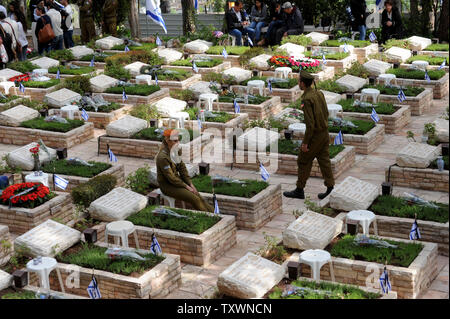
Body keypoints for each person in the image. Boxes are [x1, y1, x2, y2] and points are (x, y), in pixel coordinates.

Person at [283, 70, 335, 200]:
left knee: (303, 160)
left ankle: (299, 190)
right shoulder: (319, 93)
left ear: (302, 84)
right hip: (324, 133)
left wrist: (306, 143)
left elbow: (310, 125)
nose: (298, 83)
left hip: (315, 135)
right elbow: (326, 113)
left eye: (299, 81)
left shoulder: (307, 99)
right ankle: (330, 187)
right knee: (324, 161)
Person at [156, 129, 214, 213]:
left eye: (178, 140)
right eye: (175, 141)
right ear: (168, 141)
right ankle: (209, 217)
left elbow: (182, 168)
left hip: (177, 181)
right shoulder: (162, 157)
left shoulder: (175, 150)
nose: (177, 142)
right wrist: (186, 187)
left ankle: (215, 214)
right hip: (168, 185)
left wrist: (190, 183)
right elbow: (171, 178)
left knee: (198, 195)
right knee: (194, 199)